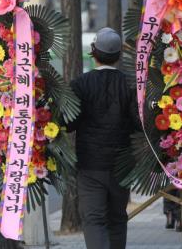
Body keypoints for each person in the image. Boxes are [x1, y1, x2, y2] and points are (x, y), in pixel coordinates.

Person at [66, 27, 140, 249]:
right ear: (118, 55)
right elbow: (139, 123)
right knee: (117, 218)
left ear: (93, 52)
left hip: (90, 165)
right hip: (122, 164)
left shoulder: (80, 84)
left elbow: (68, 124)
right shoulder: (129, 85)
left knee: (94, 219)